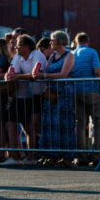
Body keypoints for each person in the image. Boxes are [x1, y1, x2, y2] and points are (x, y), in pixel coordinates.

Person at [2, 34, 47, 166]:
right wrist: (8, 76)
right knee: (11, 124)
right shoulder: (17, 56)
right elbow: (12, 73)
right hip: (20, 95)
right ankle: (14, 157)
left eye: (18, 45)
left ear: (26, 47)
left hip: (38, 95)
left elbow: (35, 75)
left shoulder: (37, 55)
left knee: (31, 127)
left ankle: (32, 157)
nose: (15, 47)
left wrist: (17, 76)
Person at [34, 31, 76, 167]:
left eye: (52, 40)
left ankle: (67, 157)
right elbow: (46, 70)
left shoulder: (69, 55)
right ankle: (51, 155)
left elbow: (64, 74)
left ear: (59, 41)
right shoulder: (52, 57)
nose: (50, 42)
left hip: (64, 94)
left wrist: (44, 76)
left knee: (64, 125)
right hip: (51, 93)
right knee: (50, 124)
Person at [71, 32, 100, 167]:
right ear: (88, 41)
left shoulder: (72, 54)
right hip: (91, 90)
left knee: (80, 123)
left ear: (76, 42)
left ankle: (81, 156)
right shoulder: (92, 52)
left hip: (76, 90)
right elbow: (97, 71)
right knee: (97, 122)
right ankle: (97, 155)